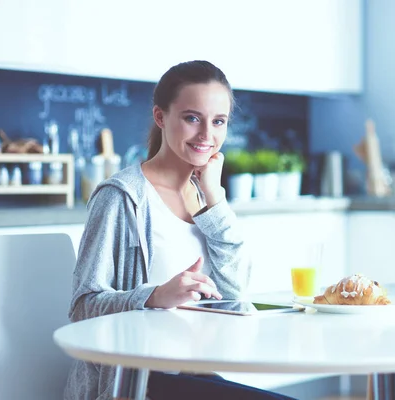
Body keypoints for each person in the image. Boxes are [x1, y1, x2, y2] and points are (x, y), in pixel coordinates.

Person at [64, 60, 295, 400]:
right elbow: (83, 307)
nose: (207, 135)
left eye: (219, 122)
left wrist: (216, 200)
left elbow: (234, 295)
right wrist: (154, 296)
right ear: (161, 117)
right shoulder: (121, 197)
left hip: (194, 372)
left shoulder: (205, 195)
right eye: (192, 118)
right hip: (138, 382)